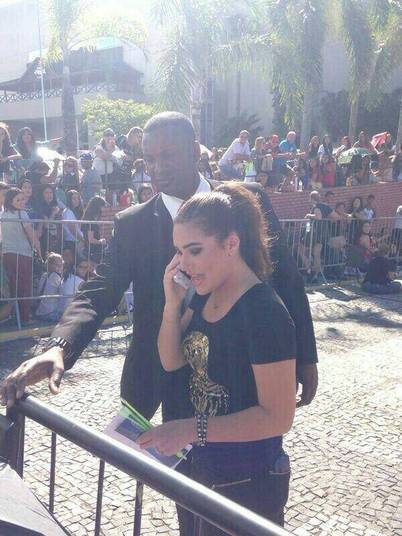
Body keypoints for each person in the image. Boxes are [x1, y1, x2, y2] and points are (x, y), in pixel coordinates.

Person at [0, 111, 317, 432]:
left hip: (238, 368)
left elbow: (286, 279)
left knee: (222, 469)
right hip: (156, 376)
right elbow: (98, 293)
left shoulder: (246, 202)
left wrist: (305, 355)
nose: (156, 168)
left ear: (194, 151)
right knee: (161, 470)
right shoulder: (133, 223)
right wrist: (60, 347)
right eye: (149, 159)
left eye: (167, 156)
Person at [138, 183, 296, 531]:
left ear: (231, 243)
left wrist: (191, 428)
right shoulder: (202, 294)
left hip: (248, 481)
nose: (183, 263)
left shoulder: (264, 312)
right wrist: (171, 304)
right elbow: (172, 360)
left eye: (194, 250)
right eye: (179, 251)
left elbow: (279, 417)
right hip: (205, 471)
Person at [1, 187, 42, 323]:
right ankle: (24, 317)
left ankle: (14, 315)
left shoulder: (3, 215)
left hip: (7, 254)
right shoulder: (22, 214)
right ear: (10, 200)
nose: (21, 202)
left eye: (22, 199)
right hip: (23, 254)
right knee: (25, 286)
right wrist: (39, 250)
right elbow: (32, 235)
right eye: (18, 199)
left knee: (13, 286)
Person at [36, 253, 63, 322]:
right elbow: (63, 292)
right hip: (50, 313)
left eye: (61, 265)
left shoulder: (44, 275)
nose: (60, 267)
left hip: (40, 312)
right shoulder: (56, 276)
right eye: (57, 265)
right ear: (49, 265)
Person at [81, 196, 107, 263]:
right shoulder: (90, 221)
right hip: (92, 251)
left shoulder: (87, 218)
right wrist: (101, 241)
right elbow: (91, 239)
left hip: (90, 249)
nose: (103, 209)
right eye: (102, 206)